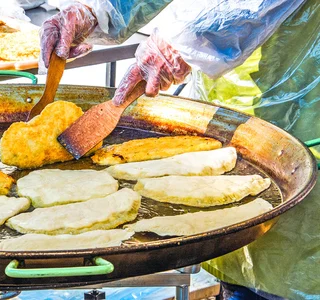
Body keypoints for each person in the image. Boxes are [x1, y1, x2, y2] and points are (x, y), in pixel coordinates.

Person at [40, 1, 320, 299]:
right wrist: (100, 12)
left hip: (300, 91)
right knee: (233, 241)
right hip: (225, 94)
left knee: (290, 251)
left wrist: (193, 40)